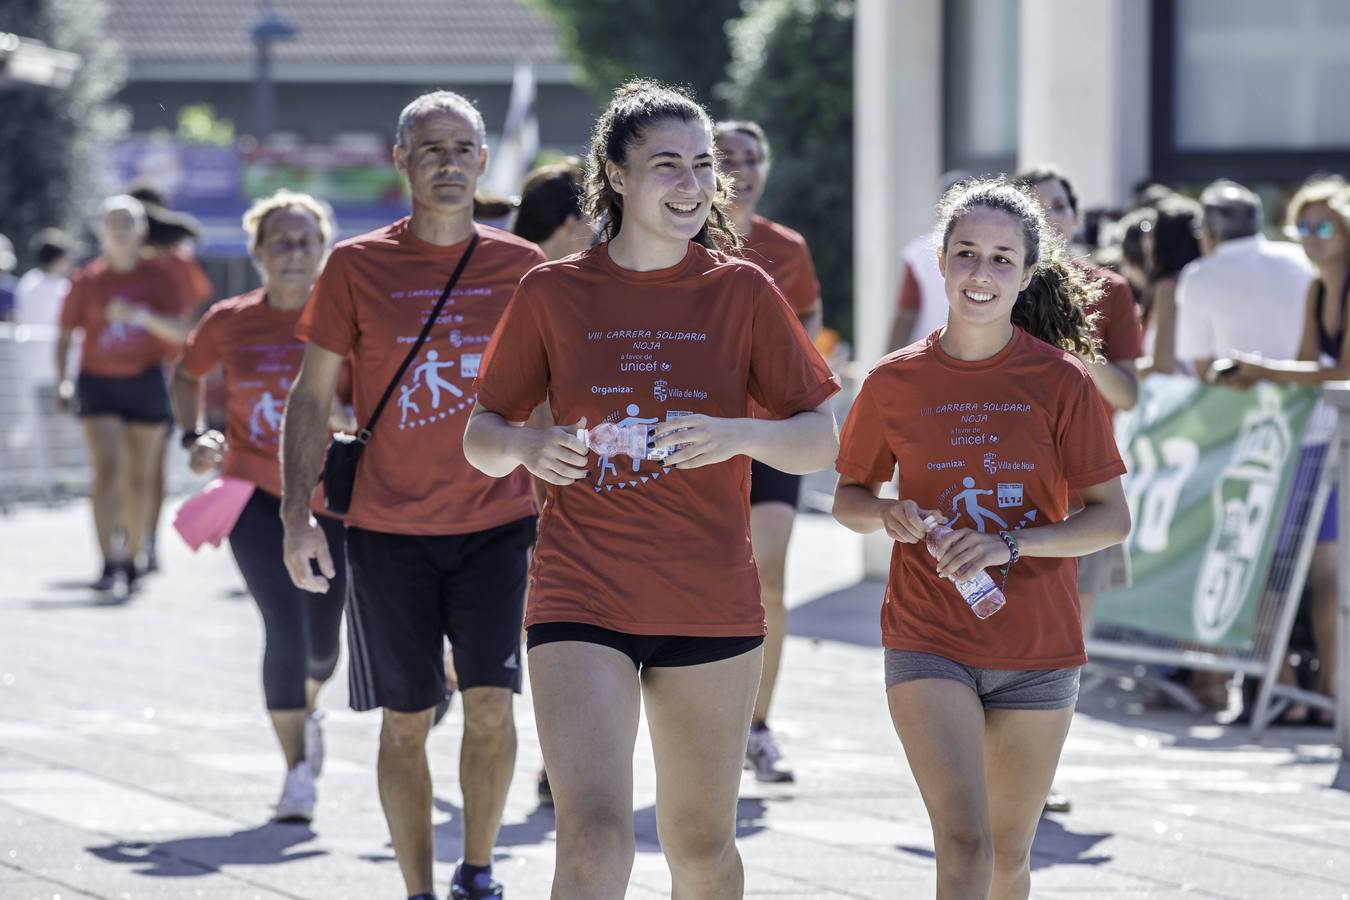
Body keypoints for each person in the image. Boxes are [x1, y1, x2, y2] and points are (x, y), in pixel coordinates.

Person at [463, 79, 839, 899]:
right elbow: (482, 435)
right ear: (617, 176)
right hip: (580, 593)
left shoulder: (742, 290)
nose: (691, 184)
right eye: (666, 165)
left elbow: (820, 436)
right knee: (594, 838)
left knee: (699, 849)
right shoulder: (553, 292)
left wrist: (739, 434)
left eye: (703, 166)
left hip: (709, 597)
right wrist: (526, 444)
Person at [831, 177, 1131, 900]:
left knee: (1006, 860)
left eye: (1001, 260)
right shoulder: (893, 381)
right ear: (940, 261)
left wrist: (1012, 546)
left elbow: (1110, 518)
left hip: (1038, 645)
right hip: (928, 634)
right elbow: (848, 498)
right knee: (964, 848)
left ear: (1027, 275)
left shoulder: (1060, 380)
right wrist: (889, 515)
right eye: (966, 253)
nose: (980, 274)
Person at [280, 90, 544, 900]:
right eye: (431, 149)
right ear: (401, 162)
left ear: (484, 162)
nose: (449, 164)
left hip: (500, 521)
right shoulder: (357, 267)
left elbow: (562, 389)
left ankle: (477, 870)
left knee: (493, 705)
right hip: (389, 527)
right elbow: (310, 394)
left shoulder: (522, 267)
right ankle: (417, 889)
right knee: (406, 719)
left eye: (463, 149)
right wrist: (297, 516)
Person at [172, 190, 346, 822]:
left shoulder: (346, 317)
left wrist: (353, 415)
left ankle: (309, 704)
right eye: (281, 242)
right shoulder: (230, 319)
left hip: (336, 500)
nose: (294, 254)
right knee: (286, 627)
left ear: (324, 250)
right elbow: (187, 374)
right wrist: (196, 437)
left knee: (325, 647)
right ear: (257, 253)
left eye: (306, 242)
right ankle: (297, 773)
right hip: (255, 495)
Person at [1216, 176, 1350, 725]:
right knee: (1314, 575)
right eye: (1303, 227)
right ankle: (1316, 698)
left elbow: (1339, 371)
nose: (1312, 238)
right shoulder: (1318, 289)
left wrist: (1260, 368)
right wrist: (1252, 376)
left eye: (1324, 226)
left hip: (1336, 449)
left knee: (1331, 579)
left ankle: (1333, 696)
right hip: (1323, 445)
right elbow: (1305, 367)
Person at [715, 119, 823, 783]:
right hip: (695, 438)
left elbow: (809, 323)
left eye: (755, 157)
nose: (744, 168)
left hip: (772, 438)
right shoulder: (682, 241)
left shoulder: (788, 248)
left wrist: (795, 378)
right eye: (729, 157)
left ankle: (757, 727)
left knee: (770, 579)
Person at [506, 157, 594, 807]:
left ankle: (549, 760)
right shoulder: (543, 285)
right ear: (572, 224)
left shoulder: (495, 270)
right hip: (525, 494)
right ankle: (550, 763)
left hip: (488, 490)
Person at [56, 196, 190, 593]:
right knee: (107, 471)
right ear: (100, 230)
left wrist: (142, 317)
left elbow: (183, 332)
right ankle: (106, 561)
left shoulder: (161, 277)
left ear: (141, 230)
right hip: (97, 380)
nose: (118, 230)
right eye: (111, 222)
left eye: (126, 222)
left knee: (139, 477)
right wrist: (63, 379)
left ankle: (132, 556)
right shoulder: (88, 279)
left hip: (146, 380)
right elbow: (65, 334)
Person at [129, 184, 216, 575]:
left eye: (149, 220)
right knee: (116, 468)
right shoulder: (119, 260)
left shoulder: (177, 263)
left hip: (161, 372)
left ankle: (147, 540)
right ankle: (124, 541)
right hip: (118, 371)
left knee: (149, 468)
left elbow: (190, 318)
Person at [1175, 179, 1315, 378]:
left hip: (1239, 401)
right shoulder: (1299, 257)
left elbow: (1202, 368)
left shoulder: (1197, 276)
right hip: (1307, 397)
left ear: (1209, 233)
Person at [888, 170, 970, 352]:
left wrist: (888, 364)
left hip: (930, 354)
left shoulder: (920, 252)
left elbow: (906, 315)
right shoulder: (991, 248)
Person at [1138, 196, 1203, 376]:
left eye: (1151, 229)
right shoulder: (1201, 281)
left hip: (1181, 399)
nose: (1145, 238)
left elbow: (1164, 366)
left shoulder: (1169, 288)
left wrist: (1125, 372)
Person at [14, 229, 73, 330]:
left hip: (26, 344)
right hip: (52, 344)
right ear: (57, 260)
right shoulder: (64, 288)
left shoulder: (26, 281)